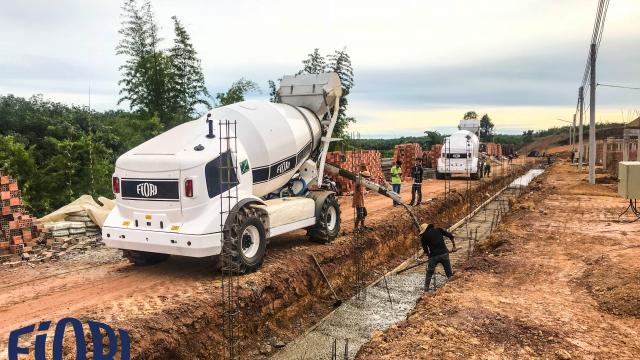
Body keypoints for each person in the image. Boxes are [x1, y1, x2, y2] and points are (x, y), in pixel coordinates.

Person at [419, 223, 457, 291]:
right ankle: (452, 287)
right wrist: (454, 246)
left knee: (429, 273)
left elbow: (426, 251)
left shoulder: (424, 237)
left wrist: (428, 256)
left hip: (433, 256)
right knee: (449, 272)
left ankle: (426, 289)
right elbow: (451, 236)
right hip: (444, 254)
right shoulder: (438, 230)